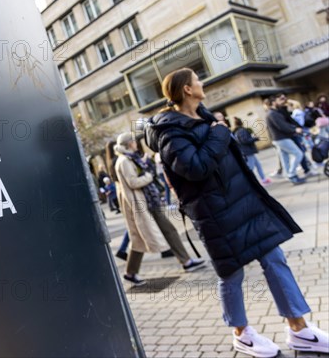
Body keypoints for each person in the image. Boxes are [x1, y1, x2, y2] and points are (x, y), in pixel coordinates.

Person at [145, 67, 329, 357]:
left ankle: (299, 327)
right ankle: (241, 333)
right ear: (187, 90)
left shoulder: (205, 119)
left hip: (243, 203)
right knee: (231, 272)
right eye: (197, 80)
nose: (201, 83)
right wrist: (219, 134)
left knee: (274, 257)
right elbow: (195, 168)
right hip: (215, 213)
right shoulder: (170, 132)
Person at [114, 132, 205, 286]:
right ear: (129, 143)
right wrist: (149, 176)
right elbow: (133, 182)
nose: (136, 143)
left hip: (148, 202)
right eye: (134, 141)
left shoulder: (130, 158)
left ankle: (186, 261)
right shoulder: (124, 161)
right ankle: (130, 272)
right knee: (139, 238)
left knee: (166, 231)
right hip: (141, 203)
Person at [266, 95, 307, 184]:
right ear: (274, 102)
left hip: (279, 138)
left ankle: (289, 175)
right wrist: (295, 129)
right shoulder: (272, 114)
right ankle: (292, 174)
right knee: (298, 154)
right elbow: (282, 126)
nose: (281, 101)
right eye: (279, 100)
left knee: (285, 159)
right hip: (281, 138)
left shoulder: (274, 112)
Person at [106, 140, 129, 260]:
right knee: (133, 226)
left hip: (121, 194)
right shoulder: (119, 161)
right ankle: (122, 249)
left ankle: (122, 249)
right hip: (127, 194)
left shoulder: (110, 162)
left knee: (133, 225)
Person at [232, 117, 271, 185]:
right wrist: (255, 138)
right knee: (250, 168)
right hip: (248, 152)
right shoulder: (242, 130)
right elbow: (245, 140)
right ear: (241, 123)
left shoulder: (237, 131)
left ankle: (263, 179)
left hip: (248, 151)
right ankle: (250, 183)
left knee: (258, 165)